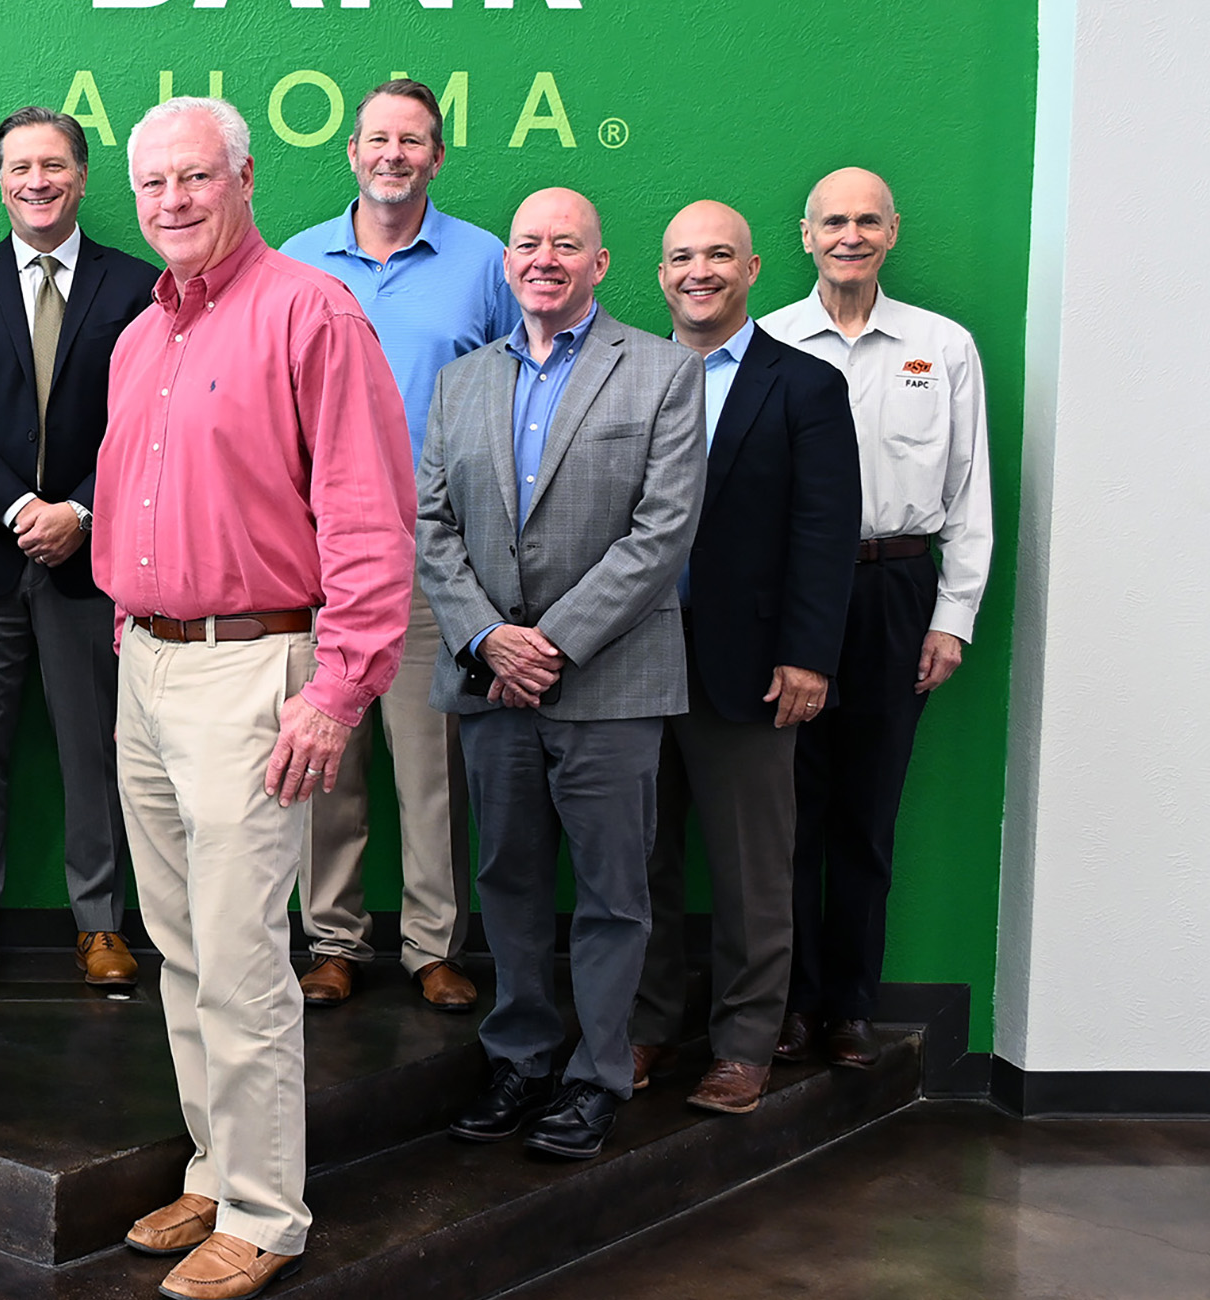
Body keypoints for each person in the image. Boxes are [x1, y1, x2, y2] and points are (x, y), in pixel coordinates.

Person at [99, 97, 413, 1300]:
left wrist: (336, 691)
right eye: (153, 185)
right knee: (180, 948)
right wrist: (129, 620)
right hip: (151, 663)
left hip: (257, 667)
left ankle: (268, 1213)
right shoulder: (143, 337)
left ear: (242, 178)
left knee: (239, 959)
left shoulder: (310, 312)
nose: (171, 201)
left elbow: (367, 517)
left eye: (194, 178)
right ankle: (216, 1162)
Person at [420, 188, 704, 1162]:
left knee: (613, 893)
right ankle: (521, 1058)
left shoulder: (664, 372)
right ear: (507, 265)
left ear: (599, 262)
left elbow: (660, 531)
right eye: (527, 243)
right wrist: (489, 638)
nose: (544, 257)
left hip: (609, 683)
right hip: (490, 681)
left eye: (565, 244)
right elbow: (433, 527)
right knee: (506, 878)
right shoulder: (461, 383)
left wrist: (551, 642)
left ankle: (594, 1076)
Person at [279, 78, 518, 1013]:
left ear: (437, 156)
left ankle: (432, 947)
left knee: (430, 772)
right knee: (323, 764)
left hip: (433, 562)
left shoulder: (484, 263)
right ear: (351, 152)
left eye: (412, 141)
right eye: (378, 139)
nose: (393, 155)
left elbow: (515, 393)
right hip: (320, 563)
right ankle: (332, 942)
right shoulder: (301, 263)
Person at [626, 201, 861, 1115]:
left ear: (753, 268)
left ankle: (744, 1045)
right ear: (659, 273)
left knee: (751, 869)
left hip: (753, 667)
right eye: (682, 256)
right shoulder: (629, 374)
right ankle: (645, 1030)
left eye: (718, 255)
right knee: (636, 865)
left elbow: (824, 531)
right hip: (634, 662)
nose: (700, 272)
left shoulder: (803, 385)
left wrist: (809, 656)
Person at [0, 107, 160, 990]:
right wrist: (23, 505)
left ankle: (100, 926)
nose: (36, 181)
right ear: (1, 178)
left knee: (94, 749)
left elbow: (145, 421)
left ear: (83, 176)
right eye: (19, 166)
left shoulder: (135, 285)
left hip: (93, 562)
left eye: (53, 164)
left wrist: (83, 511)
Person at [762, 167, 992, 1069]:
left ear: (892, 232)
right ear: (805, 236)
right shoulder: (770, 341)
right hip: (792, 602)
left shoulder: (943, 347)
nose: (849, 235)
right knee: (788, 813)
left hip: (897, 593)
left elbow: (970, 492)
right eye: (832, 222)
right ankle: (791, 1002)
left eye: (867, 221)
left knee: (866, 813)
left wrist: (953, 617)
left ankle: (852, 1007)